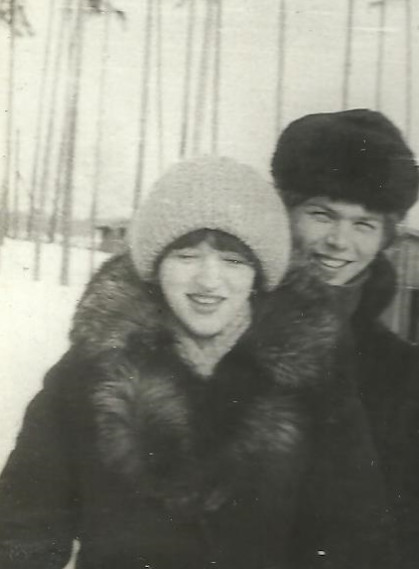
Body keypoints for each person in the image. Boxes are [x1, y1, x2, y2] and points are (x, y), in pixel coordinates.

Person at [0, 155, 399, 569]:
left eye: (233, 260)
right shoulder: (88, 371)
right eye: (187, 256)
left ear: (259, 274)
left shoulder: (313, 377)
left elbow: (353, 537)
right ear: (155, 266)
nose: (209, 281)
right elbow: (23, 527)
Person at [270, 109, 419, 568]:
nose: (339, 241)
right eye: (322, 214)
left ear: (385, 238)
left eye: (364, 224)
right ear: (285, 213)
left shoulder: (401, 371)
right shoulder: (226, 332)